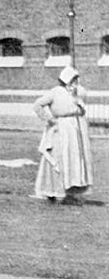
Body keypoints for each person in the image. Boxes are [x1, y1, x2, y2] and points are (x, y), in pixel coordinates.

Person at [33, 66, 94, 205]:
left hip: (76, 130)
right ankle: (53, 191)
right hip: (61, 129)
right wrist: (49, 119)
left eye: (77, 80)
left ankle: (71, 193)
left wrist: (77, 97)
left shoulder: (78, 93)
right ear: (66, 80)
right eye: (73, 80)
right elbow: (37, 105)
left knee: (75, 160)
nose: (76, 83)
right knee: (59, 158)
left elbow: (82, 108)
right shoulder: (55, 92)